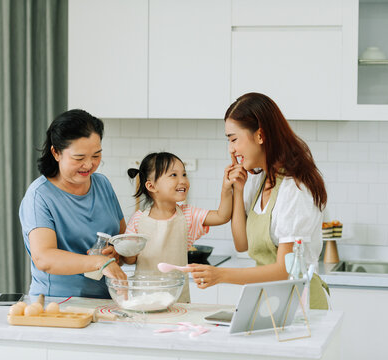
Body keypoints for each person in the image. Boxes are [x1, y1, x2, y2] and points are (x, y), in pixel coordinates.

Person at [188, 92, 330, 309]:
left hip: (300, 305)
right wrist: (235, 189)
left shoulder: (295, 188)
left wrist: (220, 274)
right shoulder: (258, 180)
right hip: (269, 301)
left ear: (260, 135)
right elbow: (241, 243)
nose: (231, 149)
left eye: (234, 139)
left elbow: (285, 270)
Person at [19, 109, 128, 298]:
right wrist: (98, 262)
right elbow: (44, 258)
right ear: (56, 152)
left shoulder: (102, 184)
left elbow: (121, 238)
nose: (88, 165)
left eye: (96, 156)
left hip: (105, 302)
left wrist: (116, 253)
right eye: (79, 158)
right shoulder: (40, 196)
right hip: (57, 304)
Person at [124, 152, 234, 302]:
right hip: (145, 301)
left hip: (179, 301)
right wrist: (127, 250)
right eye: (173, 175)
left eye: (184, 174)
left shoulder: (189, 215)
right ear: (151, 186)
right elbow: (129, 260)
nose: (182, 180)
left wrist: (226, 188)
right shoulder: (138, 220)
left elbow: (222, 216)